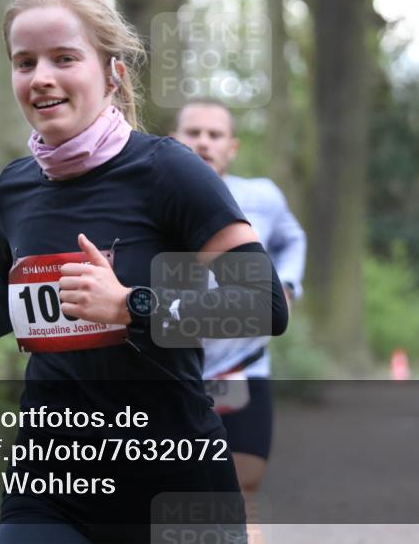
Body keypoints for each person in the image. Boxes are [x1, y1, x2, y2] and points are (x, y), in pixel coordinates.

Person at [0, 0, 288, 544]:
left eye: (64, 58)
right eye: (24, 62)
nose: (41, 76)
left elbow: (263, 306)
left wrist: (130, 305)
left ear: (113, 74)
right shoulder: (15, 186)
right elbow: (12, 284)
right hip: (50, 476)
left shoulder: (168, 171)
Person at [172, 100, 306, 539]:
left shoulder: (262, 197)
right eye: (193, 133)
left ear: (232, 147)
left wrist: (286, 284)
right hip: (170, 372)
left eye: (214, 135)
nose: (203, 142)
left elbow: (292, 238)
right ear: (174, 141)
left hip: (241, 368)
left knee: (242, 491)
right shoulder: (150, 196)